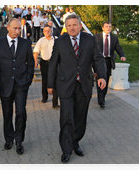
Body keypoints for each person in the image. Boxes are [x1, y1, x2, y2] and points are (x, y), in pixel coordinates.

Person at [47, 15, 106, 163]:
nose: (72, 28)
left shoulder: (90, 40)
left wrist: (102, 76)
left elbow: (98, 59)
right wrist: (50, 84)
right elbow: (53, 64)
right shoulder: (60, 42)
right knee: (66, 118)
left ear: (80, 25)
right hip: (66, 85)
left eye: (75, 25)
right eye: (69, 25)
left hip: (84, 85)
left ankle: (75, 142)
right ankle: (66, 149)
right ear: (65, 27)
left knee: (80, 118)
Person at [0, 18, 34, 155]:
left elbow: (31, 64)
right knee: (7, 114)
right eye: (15, 28)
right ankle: (9, 138)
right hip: (5, 85)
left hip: (21, 85)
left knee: (21, 112)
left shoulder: (26, 44)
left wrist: (28, 80)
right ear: (7, 27)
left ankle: (19, 140)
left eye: (19, 28)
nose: (17, 31)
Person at [94, 22, 126, 108]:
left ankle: (103, 97)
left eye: (110, 27)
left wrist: (122, 55)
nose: (108, 28)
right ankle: (101, 99)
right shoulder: (96, 37)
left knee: (106, 79)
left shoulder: (114, 38)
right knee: (100, 78)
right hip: (99, 61)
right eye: (106, 26)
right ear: (103, 28)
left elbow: (118, 48)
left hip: (108, 61)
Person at [33, 25, 59, 109]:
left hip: (54, 62)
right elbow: (36, 51)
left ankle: (55, 102)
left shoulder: (56, 40)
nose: (47, 32)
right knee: (44, 80)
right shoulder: (41, 40)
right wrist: (35, 60)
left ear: (51, 31)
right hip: (44, 62)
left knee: (55, 81)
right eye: (45, 31)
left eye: (48, 30)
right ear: (43, 32)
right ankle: (45, 97)